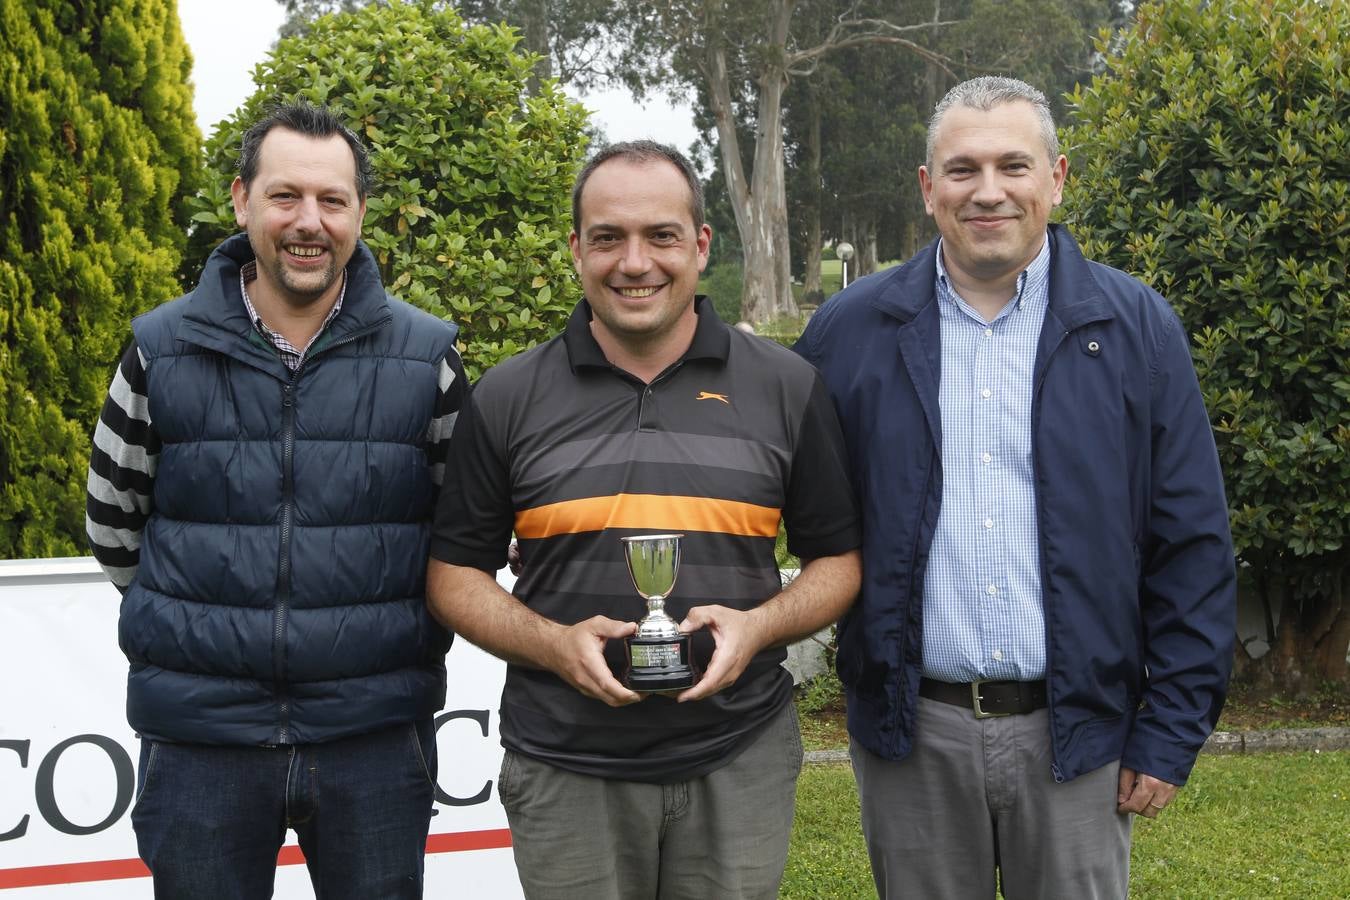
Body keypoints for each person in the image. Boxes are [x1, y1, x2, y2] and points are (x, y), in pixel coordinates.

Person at [795, 76, 1236, 898]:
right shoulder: (846, 335)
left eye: (1013, 165)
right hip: (913, 735)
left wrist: (1169, 730)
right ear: (929, 189)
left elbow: (1193, 547)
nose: (988, 192)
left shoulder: (1136, 328)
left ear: (1056, 178)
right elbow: (807, 517)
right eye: (962, 170)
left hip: (1079, 736)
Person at [426, 140, 861, 900]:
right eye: (608, 238)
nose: (635, 263)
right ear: (575, 249)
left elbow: (837, 563)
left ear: (699, 245)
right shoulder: (506, 397)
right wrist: (553, 645)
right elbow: (453, 577)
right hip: (567, 764)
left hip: (740, 754)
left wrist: (760, 627)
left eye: (660, 236)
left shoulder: (788, 387)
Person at [84, 102, 464, 899]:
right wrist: (206, 622)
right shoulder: (159, 348)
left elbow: (454, 533)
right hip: (200, 740)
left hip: (374, 737)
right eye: (285, 195)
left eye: (333, 200)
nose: (309, 222)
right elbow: (114, 523)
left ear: (360, 212)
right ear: (241, 200)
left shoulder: (427, 357)